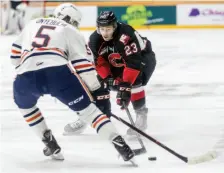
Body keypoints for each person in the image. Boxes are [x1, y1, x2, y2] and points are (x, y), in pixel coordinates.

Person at [11, 4, 134, 162]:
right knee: (90, 113)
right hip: (58, 74)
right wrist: (97, 91)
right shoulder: (71, 30)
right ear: (70, 20)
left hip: (25, 75)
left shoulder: (32, 23)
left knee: (25, 107)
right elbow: (83, 66)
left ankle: (49, 141)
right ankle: (121, 146)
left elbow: (14, 57)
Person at [64, 11, 156, 136]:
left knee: (135, 81)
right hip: (116, 61)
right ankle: (89, 116)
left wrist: (124, 87)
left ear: (114, 26)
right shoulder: (95, 39)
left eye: (108, 29)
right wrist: (106, 78)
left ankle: (141, 116)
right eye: (102, 29)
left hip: (142, 58)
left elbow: (133, 62)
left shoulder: (126, 35)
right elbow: (99, 62)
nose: (105, 33)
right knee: (96, 83)